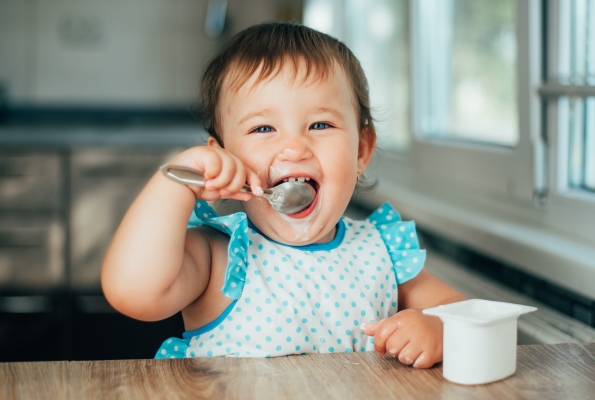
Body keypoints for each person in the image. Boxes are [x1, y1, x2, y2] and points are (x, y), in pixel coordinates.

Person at [101, 22, 466, 368]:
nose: (294, 148)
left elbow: (465, 313)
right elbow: (132, 292)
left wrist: (439, 328)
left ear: (361, 151)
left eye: (320, 124)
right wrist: (177, 184)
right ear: (223, 154)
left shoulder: (382, 250)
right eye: (263, 128)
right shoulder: (221, 256)